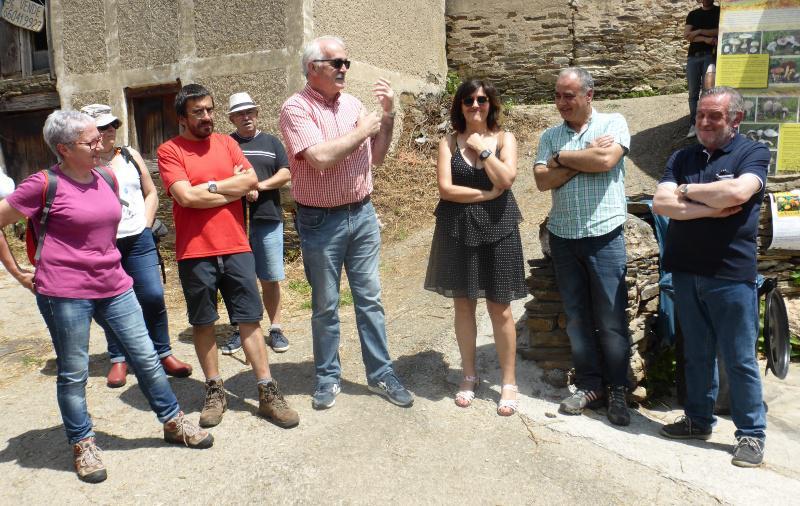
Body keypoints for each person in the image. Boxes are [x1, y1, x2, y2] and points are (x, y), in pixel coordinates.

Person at [0, 110, 212, 483]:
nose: (101, 144)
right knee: (74, 372)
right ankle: (82, 443)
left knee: (146, 357)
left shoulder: (107, 177)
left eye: (99, 137)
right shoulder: (42, 184)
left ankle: (173, 421)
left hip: (114, 285)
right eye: (91, 140)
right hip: (64, 292)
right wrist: (18, 272)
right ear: (64, 148)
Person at [279, 36, 413, 409]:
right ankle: (327, 377)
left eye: (346, 63)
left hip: (363, 214)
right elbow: (320, 158)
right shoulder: (296, 108)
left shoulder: (354, 104)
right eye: (335, 62)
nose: (343, 69)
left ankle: (381, 373)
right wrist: (361, 132)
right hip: (321, 221)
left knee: (370, 299)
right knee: (325, 304)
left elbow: (377, 158)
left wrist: (386, 117)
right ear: (313, 68)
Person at [157, 84, 299, 429]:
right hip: (195, 250)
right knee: (203, 323)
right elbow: (184, 198)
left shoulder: (227, 143)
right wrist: (225, 187)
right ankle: (214, 390)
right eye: (197, 112)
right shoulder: (169, 150)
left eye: (209, 110)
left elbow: (249, 182)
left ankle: (267, 391)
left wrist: (205, 187)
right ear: (181, 118)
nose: (206, 117)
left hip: (236, 245)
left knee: (250, 319)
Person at [653, 86, 769, 468]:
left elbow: (738, 190)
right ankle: (698, 420)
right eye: (701, 114)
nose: (704, 121)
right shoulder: (683, 155)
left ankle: (751, 434)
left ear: (735, 119)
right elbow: (660, 203)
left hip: (731, 274)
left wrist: (686, 192)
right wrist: (708, 206)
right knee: (697, 354)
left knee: (739, 358)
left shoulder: (752, 152)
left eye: (714, 116)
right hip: (686, 271)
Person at [533, 67, 631, 426]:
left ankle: (618, 389)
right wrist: (576, 158)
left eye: (568, 95)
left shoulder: (613, 123)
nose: (561, 102)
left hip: (604, 236)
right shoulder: (549, 135)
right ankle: (590, 386)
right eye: (557, 95)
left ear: (589, 95)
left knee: (611, 319)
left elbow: (605, 161)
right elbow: (542, 181)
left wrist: (562, 159)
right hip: (564, 238)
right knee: (577, 318)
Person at [424, 79, 526, 416]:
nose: (475, 105)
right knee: (463, 305)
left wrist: (483, 150)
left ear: (491, 103)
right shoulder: (449, 142)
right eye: (468, 100)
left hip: (499, 230)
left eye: (482, 99)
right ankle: (469, 375)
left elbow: (507, 179)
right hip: (457, 230)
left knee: (501, 308)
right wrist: (484, 195)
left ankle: (508, 381)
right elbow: (446, 189)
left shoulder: (504, 139)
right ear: (460, 106)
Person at [80, 104, 193, 387]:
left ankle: (163, 352)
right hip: (103, 245)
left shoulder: (129, 155)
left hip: (139, 237)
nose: (110, 132)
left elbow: (151, 191)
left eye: (113, 126)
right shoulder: (83, 164)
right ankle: (118, 358)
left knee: (153, 296)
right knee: (110, 301)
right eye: (103, 127)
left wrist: (146, 222)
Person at [220, 92, 291, 356]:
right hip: (233, 221)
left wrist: (258, 185)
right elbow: (220, 176)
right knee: (239, 278)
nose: (245, 117)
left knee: (269, 277)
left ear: (257, 114)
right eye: (239, 113)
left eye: (249, 111)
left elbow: (285, 172)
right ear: (231, 118)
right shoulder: (226, 144)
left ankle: (275, 328)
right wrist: (241, 187)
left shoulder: (271, 142)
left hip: (267, 218)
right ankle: (242, 329)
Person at [684, 0, 720, 138]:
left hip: (710, 56)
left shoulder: (718, 12)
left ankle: (707, 123)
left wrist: (697, 31)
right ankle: (694, 123)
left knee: (708, 91)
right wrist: (705, 39)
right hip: (693, 57)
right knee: (693, 93)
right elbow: (687, 35)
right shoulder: (693, 14)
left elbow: (718, 30)